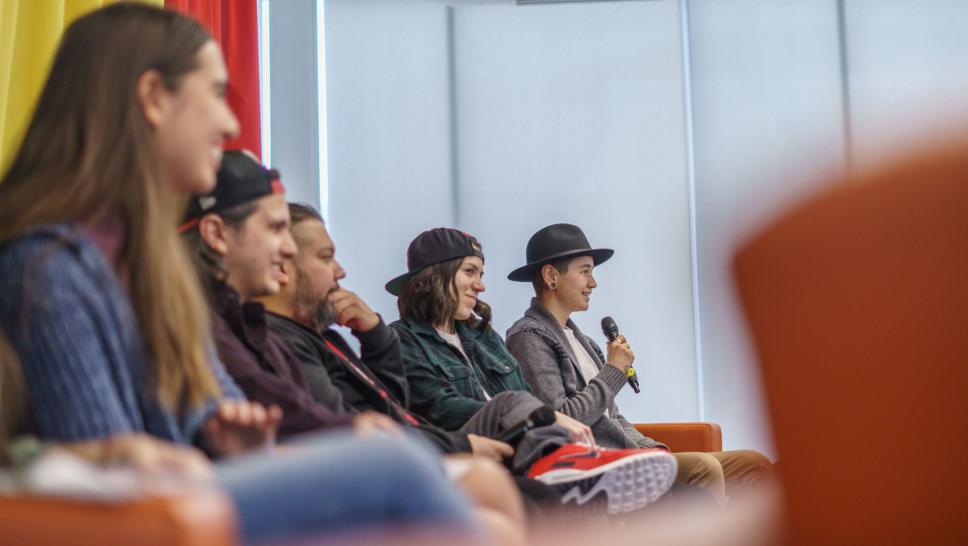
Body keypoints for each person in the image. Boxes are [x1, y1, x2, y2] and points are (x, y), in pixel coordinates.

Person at [0, 5, 479, 543]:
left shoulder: (147, 266)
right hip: (149, 517)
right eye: (216, 94)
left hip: (187, 500)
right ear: (155, 98)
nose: (229, 123)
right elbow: (108, 489)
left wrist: (233, 444)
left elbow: (211, 413)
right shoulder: (48, 268)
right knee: (400, 468)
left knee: (465, 501)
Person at [180, 153, 527, 541]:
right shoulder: (216, 323)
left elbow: (379, 408)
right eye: (274, 230)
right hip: (204, 490)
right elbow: (309, 420)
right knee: (426, 462)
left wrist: (375, 338)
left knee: (496, 481)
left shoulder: (270, 326)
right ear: (216, 235)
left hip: (259, 469)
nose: (287, 250)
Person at [388, 227, 679, 515]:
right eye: (469, 272)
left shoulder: (482, 334)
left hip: (518, 439)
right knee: (512, 404)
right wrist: (534, 415)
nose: (481, 286)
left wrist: (644, 445)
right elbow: (440, 408)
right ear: (436, 275)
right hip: (465, 445)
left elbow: (533, 396)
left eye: (481, 274)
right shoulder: (401, 339)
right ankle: (563, 460)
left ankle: (569, 465)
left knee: (579, 490)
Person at [505, 223, 772, 504]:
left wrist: (651, 448)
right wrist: (614, 371)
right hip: (597, 464)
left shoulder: (583, 341)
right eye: (585, 271)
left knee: (753, 465)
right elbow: (562, 419)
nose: (593, 283)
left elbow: (612, 416)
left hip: (629, 454)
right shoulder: (529, 337)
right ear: (551, 276)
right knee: (704, 469)